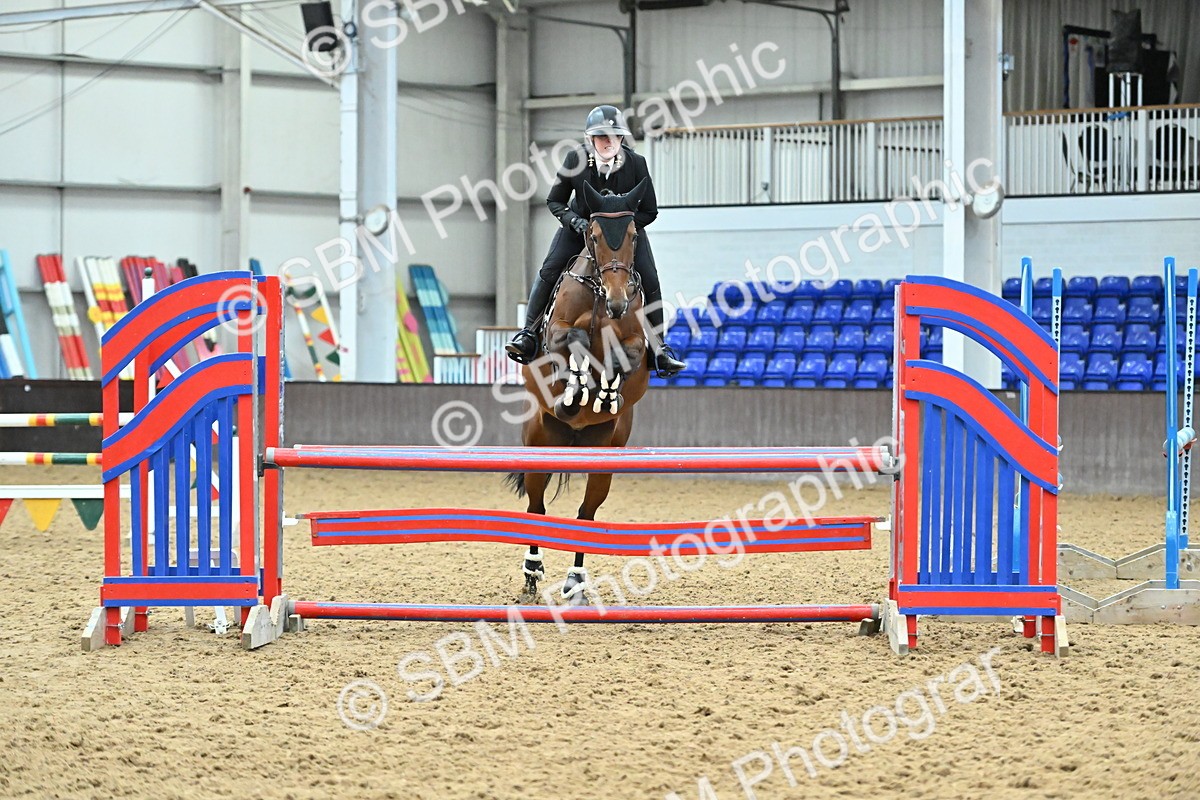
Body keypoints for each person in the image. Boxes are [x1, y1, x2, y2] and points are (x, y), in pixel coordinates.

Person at [505, 105, 686, 376]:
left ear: (622, 139)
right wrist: (575, 222)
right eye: (602, 137)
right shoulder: (575, 159)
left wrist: (625, 229)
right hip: (580, 228)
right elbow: (555, 200)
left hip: (624, 233)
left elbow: (650, 210)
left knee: (650, 277)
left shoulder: (636, 164)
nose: (608, 142)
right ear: (591, 140)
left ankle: (660, 349)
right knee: (549, 270)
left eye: (614, 137)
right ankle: (528, 334)